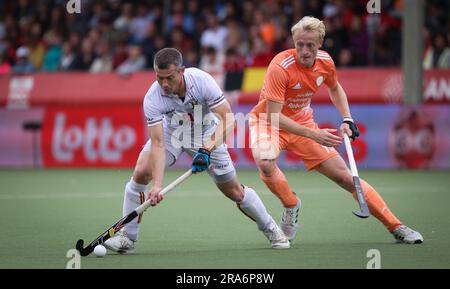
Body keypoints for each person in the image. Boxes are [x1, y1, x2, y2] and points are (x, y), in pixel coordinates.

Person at [249, 16, 423, 244]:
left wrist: (347, 118)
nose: (304, 50)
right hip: (268, 123)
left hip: (302, 122)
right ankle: (291, 205)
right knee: (265, 160)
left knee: (346, 178)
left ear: (320, 43)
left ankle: (396, 226)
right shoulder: (280, 67)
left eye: (310, 45)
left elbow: (335, 88)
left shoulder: (326, 62)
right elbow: (274, 116)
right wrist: (313, 134)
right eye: (299, 44)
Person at [104, 48, 290, 253]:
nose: (164, 84)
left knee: (234, 191)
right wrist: (157, 185)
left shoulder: (202, 81)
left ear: (182, 71)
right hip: (172, 132)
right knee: (141, 173)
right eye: (159, 78)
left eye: (169, 78)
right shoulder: (153, 97)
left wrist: (206, 149)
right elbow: (157, 143)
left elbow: (228, 120)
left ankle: (271, 228)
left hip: (207, 132)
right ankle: (127, 238)